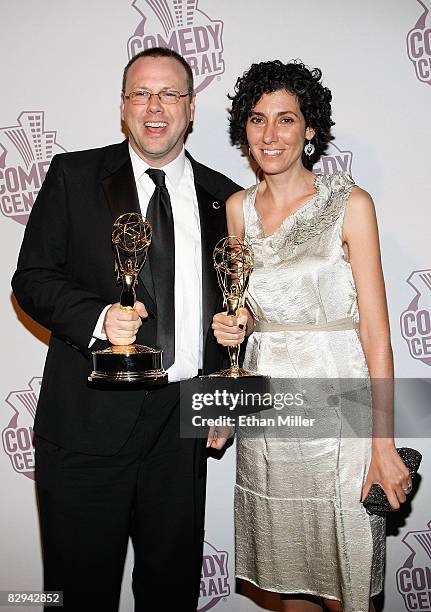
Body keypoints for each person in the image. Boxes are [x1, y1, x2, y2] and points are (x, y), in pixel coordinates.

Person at [12, 47, 241, 611]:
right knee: (77, 594)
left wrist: (226, 399)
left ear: (191, 108)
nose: (155, 106)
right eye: (141, 93)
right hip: (87, 423)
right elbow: (32, 278)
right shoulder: (74, 175)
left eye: (169, 94)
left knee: (171, 593)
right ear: (123, 106)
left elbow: (241, 310)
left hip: (178, 430)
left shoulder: (226, 198)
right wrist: (96, 317)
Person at [212, 60, 411, 612]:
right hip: (270, 416)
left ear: (310, 130)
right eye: (257, 119)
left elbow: (375, 331)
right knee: (287, 580)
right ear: (244, 130)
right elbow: (250, 317)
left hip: (341, 410)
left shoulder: (351, 205)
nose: (270, 135)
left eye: (285, 119)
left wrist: (382, 442)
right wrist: (236, 326)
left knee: (348, 584)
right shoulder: (237, 211)